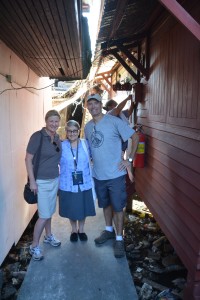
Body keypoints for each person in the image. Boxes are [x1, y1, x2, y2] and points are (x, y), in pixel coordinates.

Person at [84, 94, 139, 258]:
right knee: (105, 204)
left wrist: (129, 160)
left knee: (118, 206)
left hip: (115, 175)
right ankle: (108, 230)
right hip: (98, 175)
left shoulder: (114, 121)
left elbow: (134, 137)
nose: (93, 106)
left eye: (96, 103)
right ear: (87, 107)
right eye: (90, 104)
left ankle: (119, 239)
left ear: (101, 105)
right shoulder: (87, 127)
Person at [25, 110, 62, 261]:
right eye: (51, 121)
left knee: (49, 211)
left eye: (56, 121)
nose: (54, 124)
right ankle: (34, 246)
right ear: (46, 121)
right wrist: (32, 181)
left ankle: (48, 236)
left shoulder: (57, 137)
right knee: (44, 215)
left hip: (54, 180)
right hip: (41, 182)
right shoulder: (37, 136)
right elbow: (28, 159)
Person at [59, 120, 96, 242]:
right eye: (69, 131)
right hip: (67, 183)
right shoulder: (61, 146)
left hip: (84, 181)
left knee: (83, 207)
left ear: (79, 131)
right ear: (66, 131)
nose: (72, 133)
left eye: (74, 131)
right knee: (71, 207)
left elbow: (95, 157)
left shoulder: (86, 144)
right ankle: (74, 229)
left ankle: (82, 229)